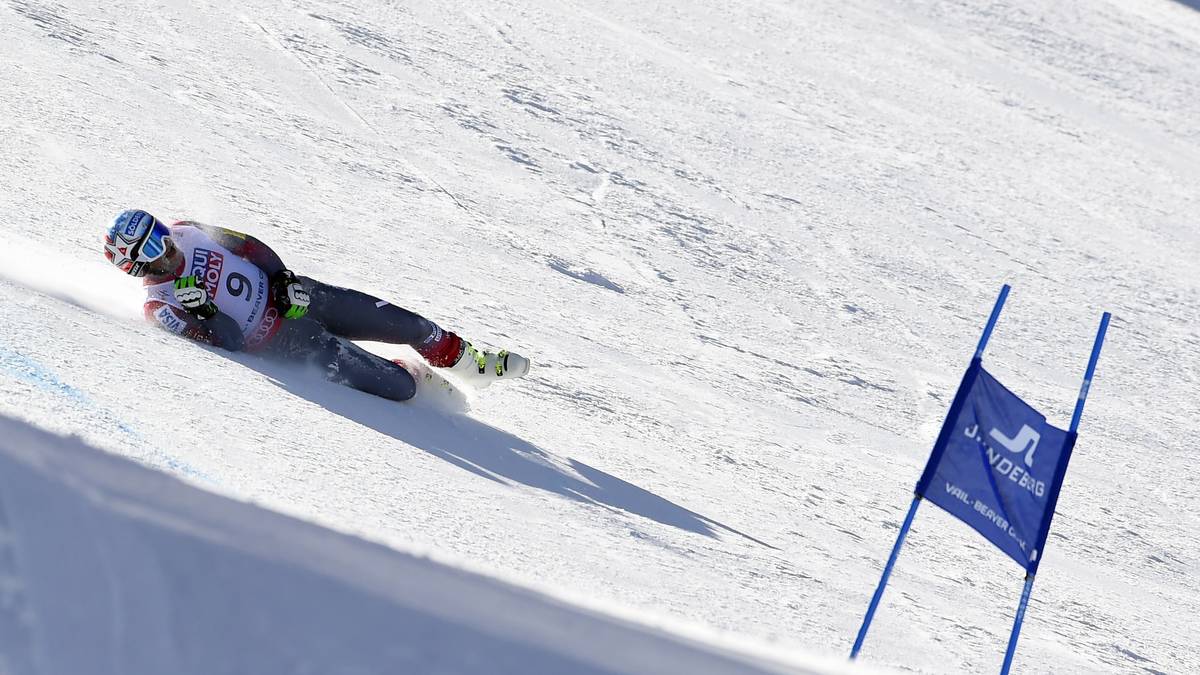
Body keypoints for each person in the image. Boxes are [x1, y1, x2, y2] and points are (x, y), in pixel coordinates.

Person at [103, 209, 529, 402]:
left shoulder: (188, 231)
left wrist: (283, 278)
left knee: (412, 326)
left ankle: (472, 364)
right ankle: (417, 373)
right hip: (291, 343)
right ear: (137, 264)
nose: (167, 246)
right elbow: (228, 343)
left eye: (160, 232)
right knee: (402, 389)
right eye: (153, 248)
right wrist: (205, 314)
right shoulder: (161, 307)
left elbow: (251, 248)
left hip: (303, 299)